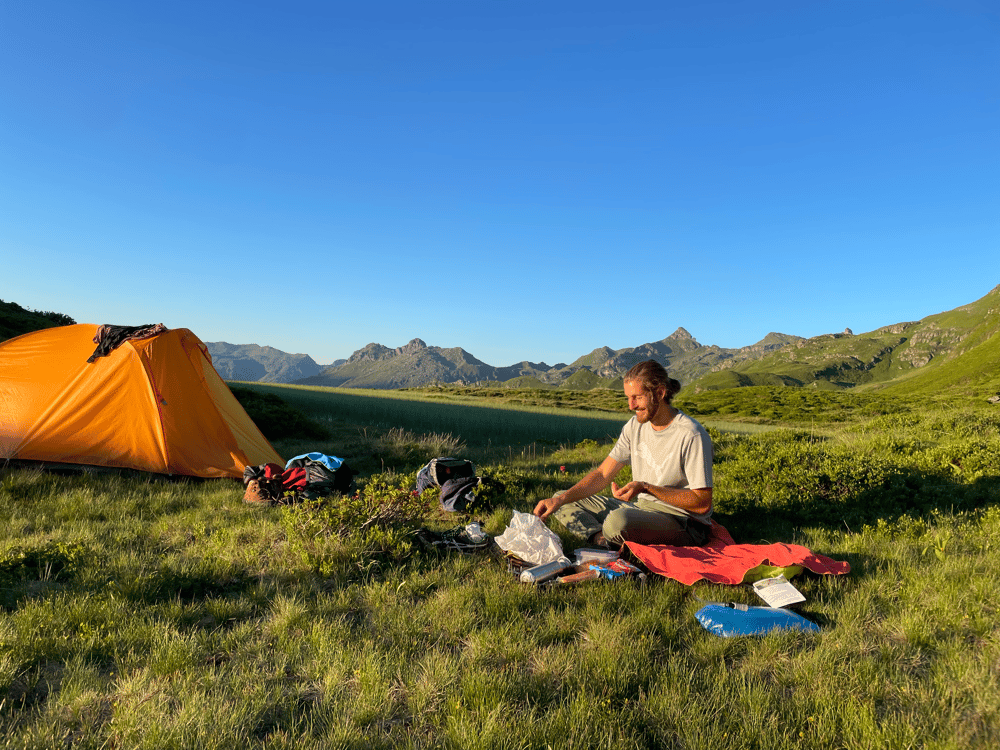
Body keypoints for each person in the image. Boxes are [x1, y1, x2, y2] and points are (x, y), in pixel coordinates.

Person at [533, 360, 714, 547]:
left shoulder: (691, 434)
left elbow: (702, 503)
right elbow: (603, 474)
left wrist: (646, 487)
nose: (631, 405)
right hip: (642, 510)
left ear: (660, 393)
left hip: (682, 521)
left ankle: (613, 539)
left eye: (637, 397)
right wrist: (560, 500)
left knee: (617, 521)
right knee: (564, 497)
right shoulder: (634, 426)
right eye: (628, 398)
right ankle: (600, 539)